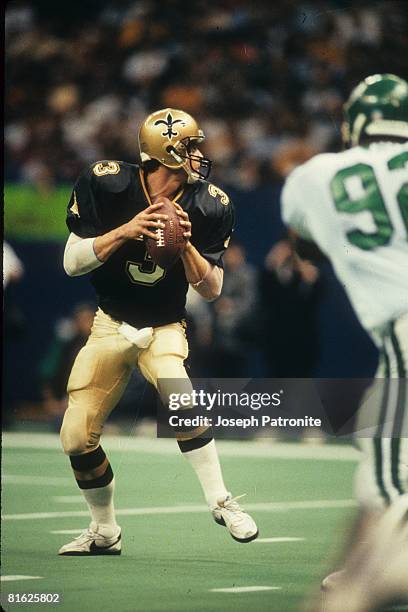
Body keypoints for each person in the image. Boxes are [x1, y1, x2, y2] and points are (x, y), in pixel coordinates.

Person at [58, 107, 258, 555]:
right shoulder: (108, 182)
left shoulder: (210, 203)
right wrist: (127, 230)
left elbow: (211, 289)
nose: (199, 155)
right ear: (165, 154)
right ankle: (104, 531)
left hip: (164, 324)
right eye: (190, 147)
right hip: (110, 322)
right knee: (75, 437)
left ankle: (221, 500)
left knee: (179, 393)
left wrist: (185, 246)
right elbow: (71, 264)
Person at [281, 74, 408, 609]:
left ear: (355, 124)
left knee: (390, 477)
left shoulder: (316, 175)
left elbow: (306, 249)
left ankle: (366, 579)